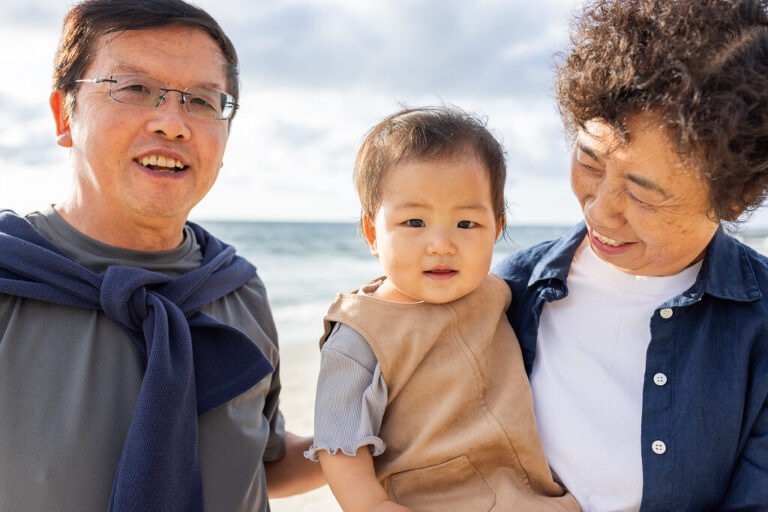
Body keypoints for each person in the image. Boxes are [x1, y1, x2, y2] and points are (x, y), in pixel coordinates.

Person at [0, 1, 324, 511]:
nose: (173, 124)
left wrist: (383, 431)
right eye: (133, 89)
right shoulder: (8, 277)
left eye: (202, 100)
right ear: (65, 115)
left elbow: (262, 465)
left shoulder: (238, 289)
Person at [494, 0, 768, 510]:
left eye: (643, 194)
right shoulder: (506, 291)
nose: (599, 210)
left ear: (734, 197)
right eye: (588, 161)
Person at [304, 107, 580, 512]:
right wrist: (371, 505)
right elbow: (339, 440)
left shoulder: (498, 293)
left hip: (533, 494)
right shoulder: (361, 333)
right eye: (414, 222)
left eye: (466, 225)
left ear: (496, 229)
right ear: (372, 233)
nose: (441, 245)